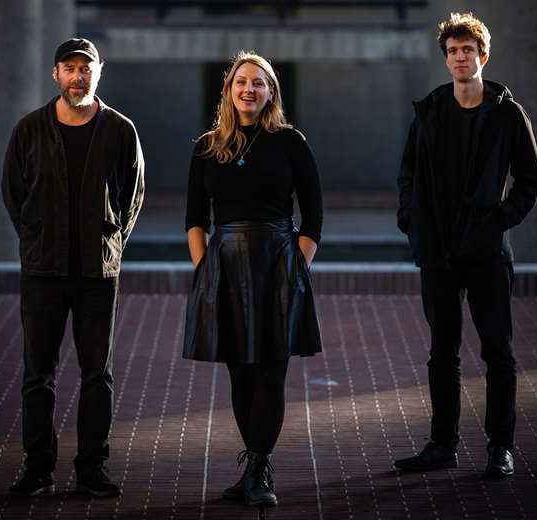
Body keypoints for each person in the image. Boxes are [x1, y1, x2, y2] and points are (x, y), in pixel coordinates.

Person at [394, 12, 537, 478]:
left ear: (483, 55)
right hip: (438, 251)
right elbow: (408, 175)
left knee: (497, 351)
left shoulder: (507, 114)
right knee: (443, 352)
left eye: (468, 50)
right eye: (453, 51)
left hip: (486, 253)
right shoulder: (431, 112)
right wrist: (411, 222)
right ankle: (443, 445)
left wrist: (498, 221)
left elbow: (530, 182)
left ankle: (500, 447)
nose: (461, 58)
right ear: (447, 59)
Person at [2, 38, 145, 497]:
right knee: (36, 374)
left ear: (98, 73)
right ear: (55, 74)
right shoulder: (28, 130)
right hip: (43, 271)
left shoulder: (121, 131)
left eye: (86, 68)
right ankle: (38, 470)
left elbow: (133, 195)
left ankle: (91, 471)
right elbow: (14, 193)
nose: (78, 76)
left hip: (97, 274)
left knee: (96, 375)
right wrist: (35, 240)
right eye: (69, 68)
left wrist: (112, 244)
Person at [183, 51, 322, 508]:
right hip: (225, 263)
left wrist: (296, 266)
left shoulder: (290, 142)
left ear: (271, 92)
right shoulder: (206, 146)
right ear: (229, 90)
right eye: (242, 81)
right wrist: (205, 268)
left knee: (270, 371)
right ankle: (252, 468)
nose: (249, 89)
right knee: (239, 372)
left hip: (278, 259)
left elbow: (314, 215)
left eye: (259, 83)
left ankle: (260, 466)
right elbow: (194, 218)